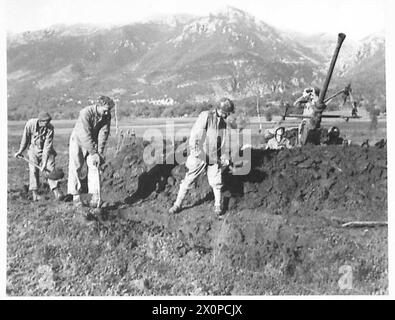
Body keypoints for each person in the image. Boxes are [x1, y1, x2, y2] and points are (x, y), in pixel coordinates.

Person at [169, 98, 235, 216]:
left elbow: (223, 141)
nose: (228, 115)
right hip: (200, 154)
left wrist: (224, 156)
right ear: (222, 110)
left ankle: (218, 206)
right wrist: (196, 152)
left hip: (214, 156)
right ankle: (177, 204)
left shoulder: (223, 123)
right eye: (227, 112)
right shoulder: (206, 116)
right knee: (188, 180)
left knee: (216, 181)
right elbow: (195, 135)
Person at [67, 95, 114, 207]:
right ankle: (75, 197)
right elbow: (84, 135)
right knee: (76, 165)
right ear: (98, 106)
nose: (107, 113)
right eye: (105, 110)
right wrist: (93, 153)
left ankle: (95, 198)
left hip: (92, 140)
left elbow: (103, 134)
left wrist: (99, 153)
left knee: (94, 165)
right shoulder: (85, 113)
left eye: (109, 111)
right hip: (79, 139)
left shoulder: (106, 116)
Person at [14, 111, 63, 201]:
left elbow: (47, 147)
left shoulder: (50, 128)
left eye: (48, 121)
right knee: (33, 170)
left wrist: (44, 162)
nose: (47, 123)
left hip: (47, 151)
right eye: (45, 122)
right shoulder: (30, 124)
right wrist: (20, 151)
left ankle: (56, 192)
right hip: (33, 149)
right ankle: (35, 194)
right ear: (40, 121)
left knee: (50, 169)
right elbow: (25, 139)